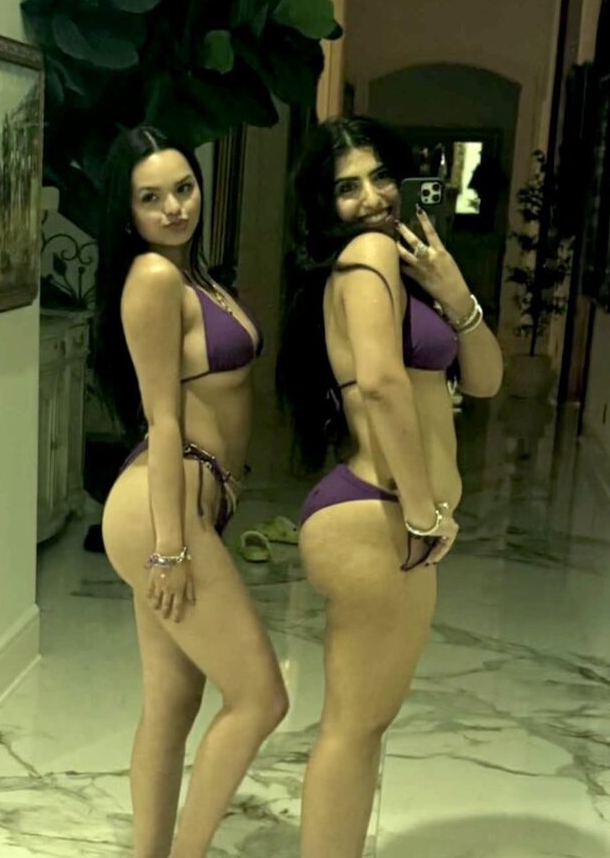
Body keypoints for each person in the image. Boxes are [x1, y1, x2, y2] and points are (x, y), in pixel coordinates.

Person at [277, 116, 503, 858]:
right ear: (323, 203)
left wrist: (455, 292)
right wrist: (422, 511)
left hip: (382, 515)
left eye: (380, 177)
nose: (372, 198)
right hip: (381, 515)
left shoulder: (399, 272)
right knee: (351, 730)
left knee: (361, 726)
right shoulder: (368, 255)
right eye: (347, 187)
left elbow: (485, 379)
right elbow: (378, 385)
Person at [94, 125, 288, 858]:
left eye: (183, 188)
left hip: (181, 499)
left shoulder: (192, 274)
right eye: (151, 198)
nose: (174, 207)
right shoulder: (152, 277)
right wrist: (171, 548)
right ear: (127, 212)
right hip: (161, 507)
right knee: (261, 697)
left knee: (173, 703)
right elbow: (164, 418)